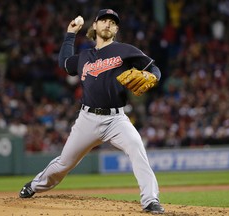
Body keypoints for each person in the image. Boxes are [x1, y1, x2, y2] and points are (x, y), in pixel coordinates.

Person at [19, 9, 165, 214]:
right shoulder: (84, 56)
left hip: (117, 119)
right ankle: (34, 186)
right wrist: (70, 34)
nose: (107, 24)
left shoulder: (126, 50)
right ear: (94, 26)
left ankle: (150, 200)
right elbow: (64, 64)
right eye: (103, 21)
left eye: (112, 23)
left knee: (137, 149)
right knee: (64, 163)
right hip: (87, 119)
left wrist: (154, 77)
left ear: (116, 29)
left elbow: (154, 68)